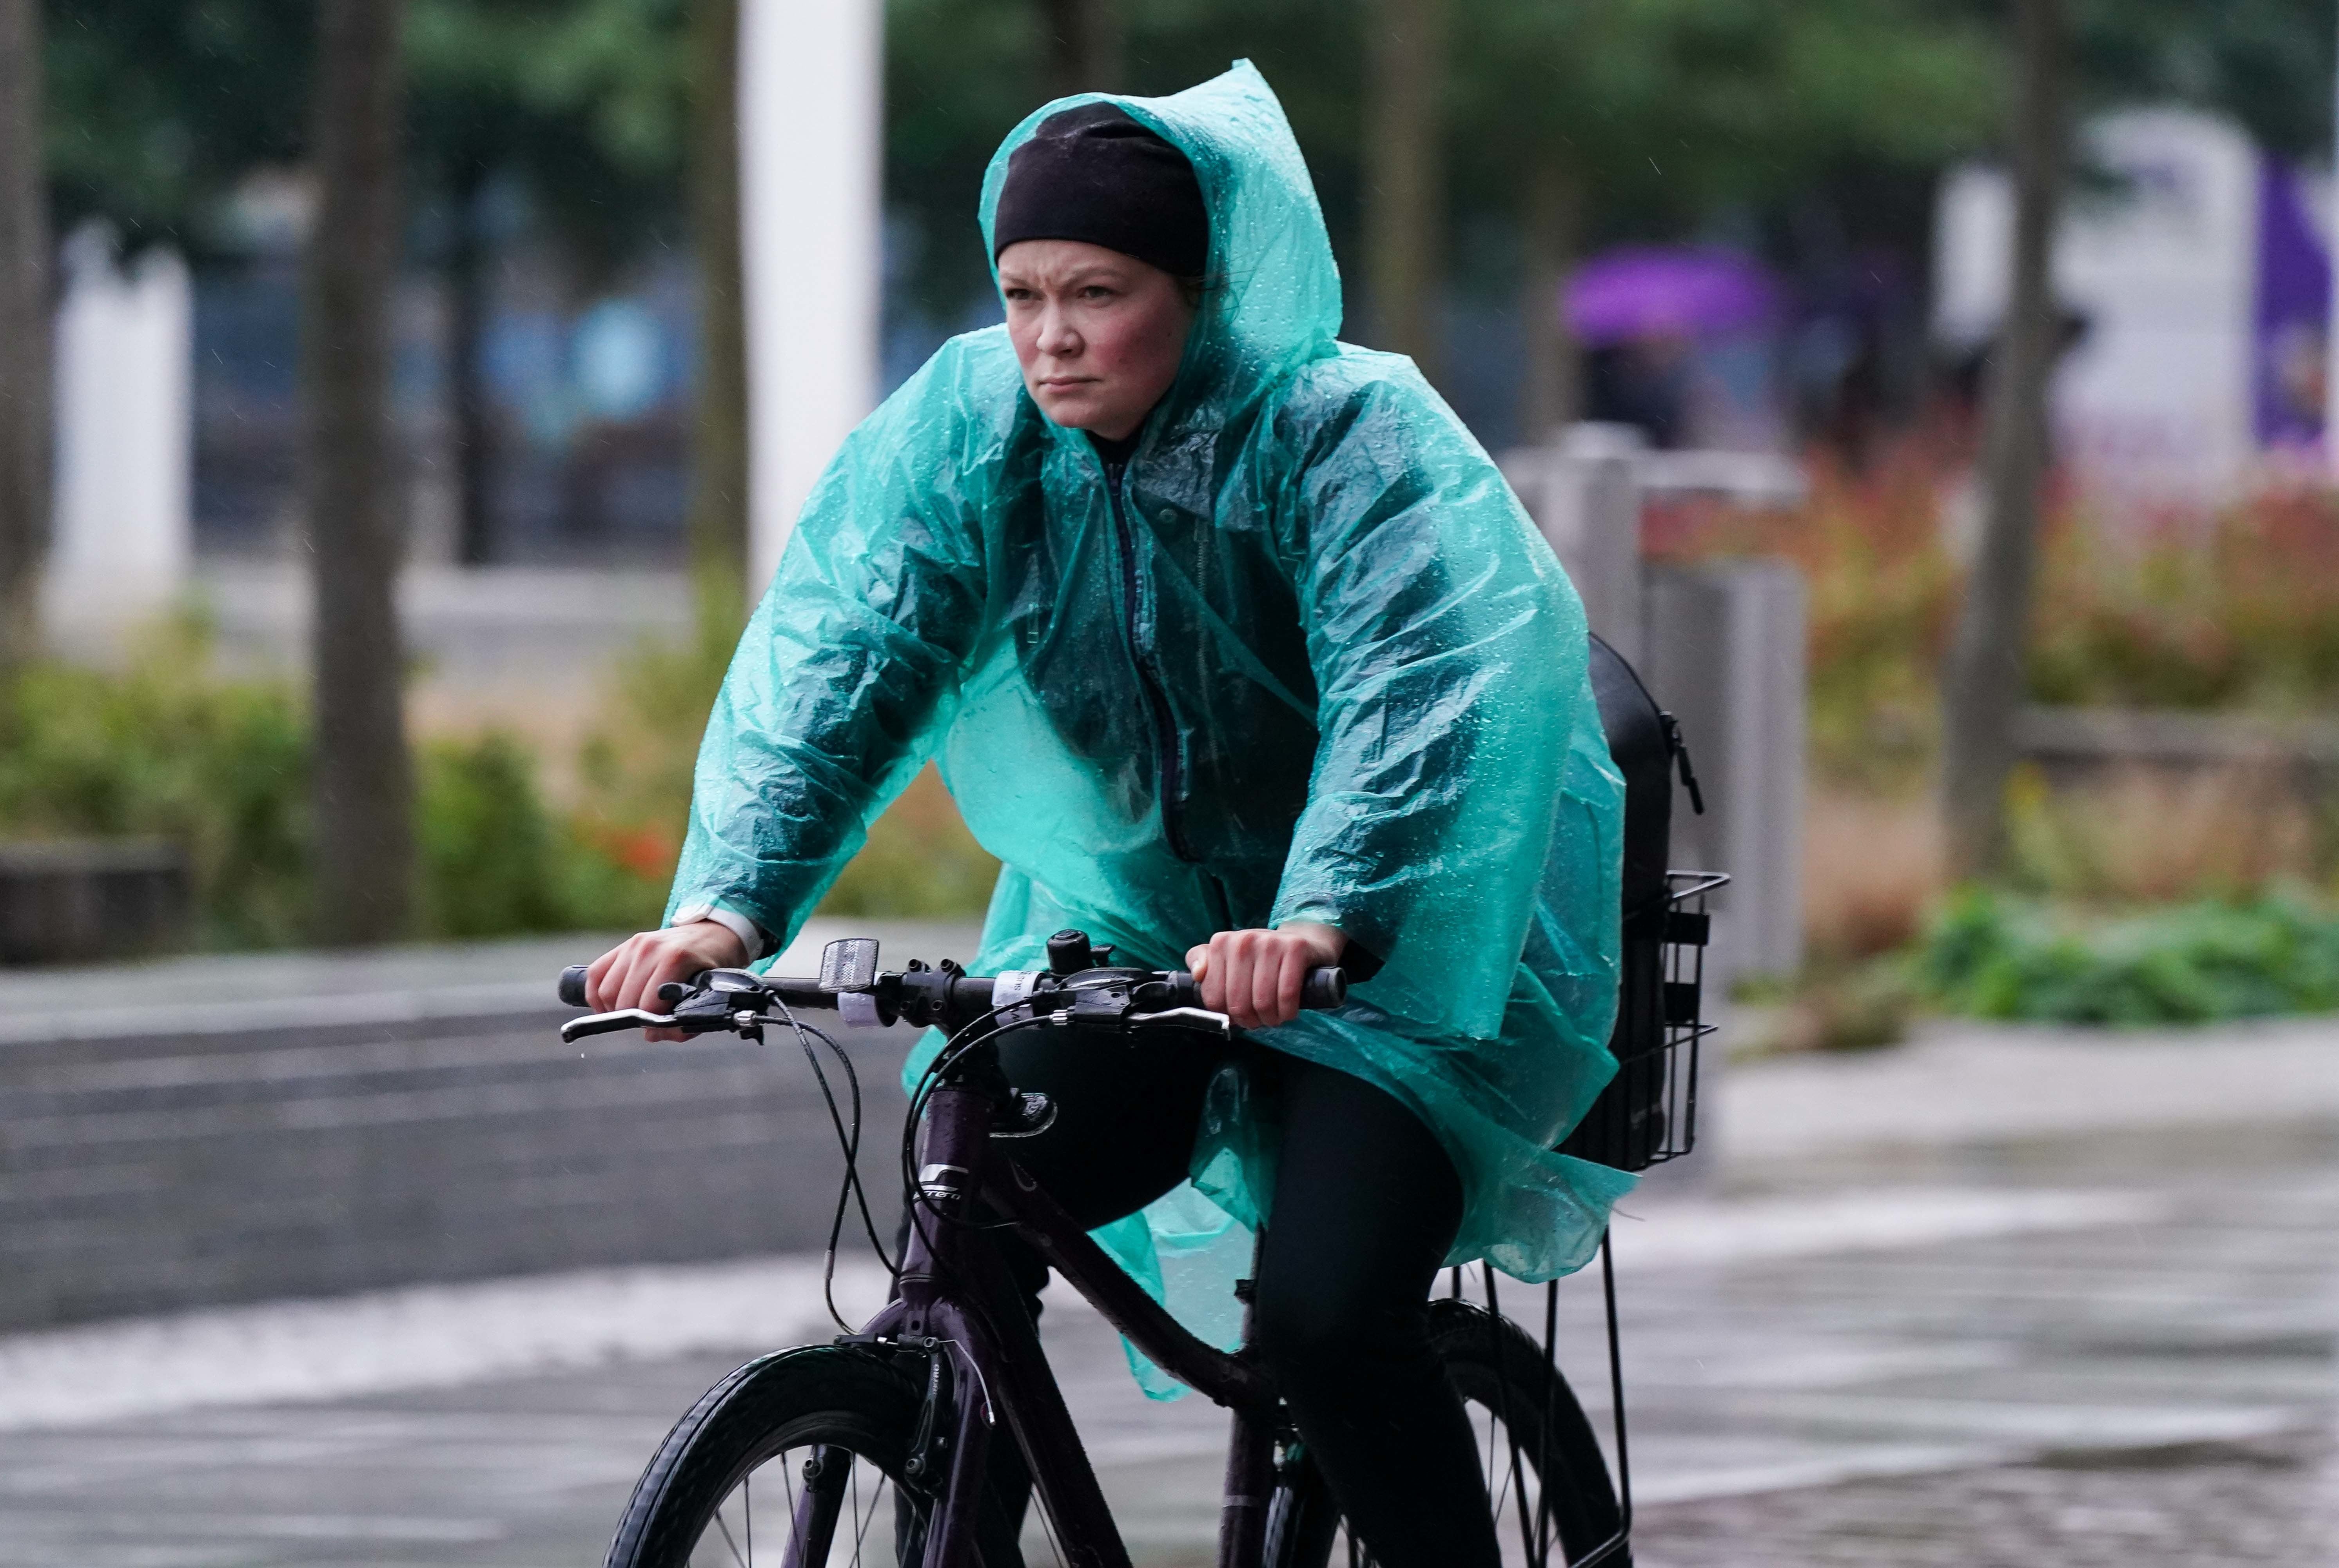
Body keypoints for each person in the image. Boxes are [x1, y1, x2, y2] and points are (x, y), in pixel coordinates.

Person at [584, 64, 1629, 1566]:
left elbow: (1425, 695)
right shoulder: (976, 431)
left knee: (1334, 1329)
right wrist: (724, 908)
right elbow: (846, 659)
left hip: (1401, 954)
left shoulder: (1345, 437)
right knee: (975, 1217)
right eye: (1021, 293)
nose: (1052, 338)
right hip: (1142, 944)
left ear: (1201, 289)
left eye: (1099, 291)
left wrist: (1328, 911)